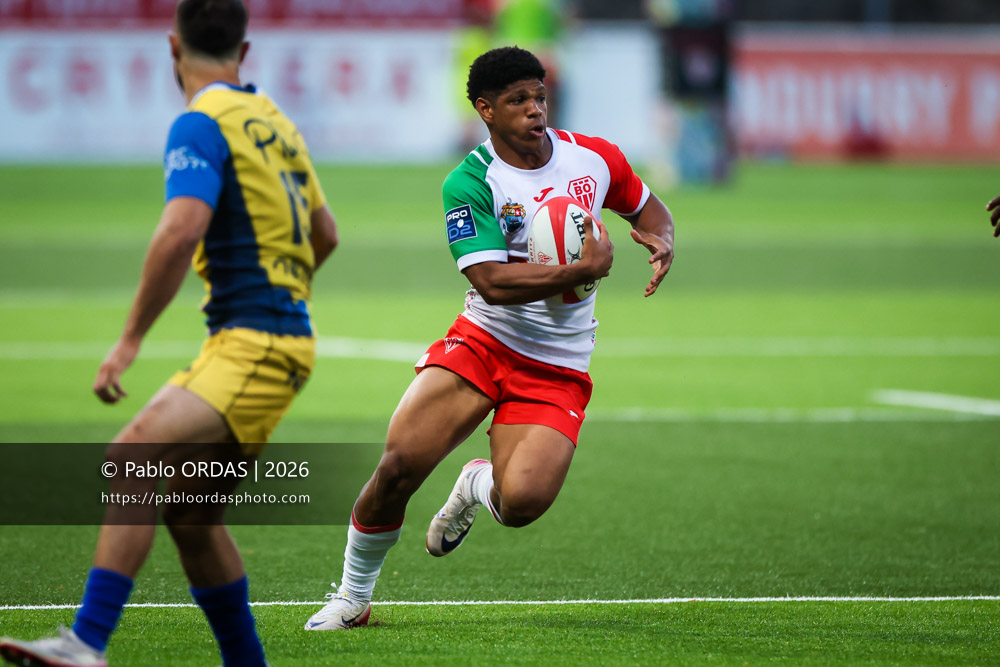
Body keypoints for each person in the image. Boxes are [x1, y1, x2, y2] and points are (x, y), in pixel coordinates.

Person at [0, 1, 337, 665]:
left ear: (172, 47)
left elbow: (182, 229)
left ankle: (86, 642)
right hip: (277, 337)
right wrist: (281, 291)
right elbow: (324, 233)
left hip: (256, 341)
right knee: (191, 516)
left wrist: (129, 340)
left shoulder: (200, 122)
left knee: (132, 457)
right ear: (244, 53)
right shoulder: (276, 122)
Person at [304, 45, 673, 631]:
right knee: (398, 467)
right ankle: (352, 597)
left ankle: (476, 482)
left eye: (539, 97)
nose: (535, 110)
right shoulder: (471, 181)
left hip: (557, 364)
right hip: (483, 344)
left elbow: (649, 210)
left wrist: (662, 240)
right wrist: (579, 271)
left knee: (521, 504)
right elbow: (492, 283)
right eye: (517, 100)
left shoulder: (594, 157)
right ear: (485, 109)